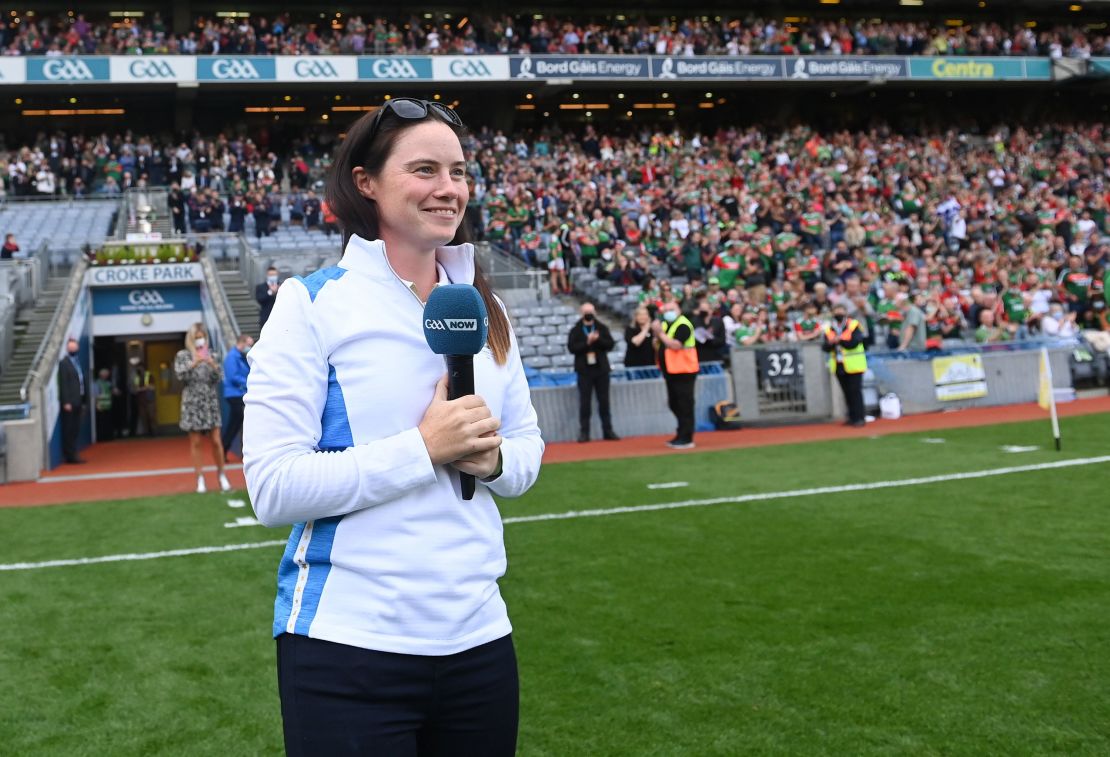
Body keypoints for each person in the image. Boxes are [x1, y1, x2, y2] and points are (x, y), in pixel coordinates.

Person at [243, 97, 544, 756]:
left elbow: (526, 453)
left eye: (459, 171)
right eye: (426, 170)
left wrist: (488, 461)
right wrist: (425, 448)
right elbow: (271, 487)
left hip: (480, 640)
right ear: (366, 183)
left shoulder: (485, 307)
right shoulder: (312, 303)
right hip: (346, 649)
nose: (449, 188)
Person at [174, 323, 231, 494]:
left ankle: (222, 475)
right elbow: (179, 375)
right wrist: (194, 362)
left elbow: (220, 376)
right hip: (192, 401)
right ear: (191, 338)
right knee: (196, 442)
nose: (200, 339)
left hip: (210, 401)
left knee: (216, 441)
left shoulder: (212, 354)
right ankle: (200, 478)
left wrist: (212, 363)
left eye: (202, 336)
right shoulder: (183, 355)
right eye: (197, 336)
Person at [567, 302, 620, 443]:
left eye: (591, 311)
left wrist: (598, 340)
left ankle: (608, 431)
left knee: (604, 402)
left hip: (601, 370)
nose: (589, 314)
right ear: (581, 313)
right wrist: (587, 342)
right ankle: (584, 432)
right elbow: (572, 347)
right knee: (585, 403)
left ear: (595, 312)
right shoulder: (576, 330)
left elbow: (610, 344)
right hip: (584, 371)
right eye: (586, 311)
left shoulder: (602, 328)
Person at [652, 299, 699, 449]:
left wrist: (660, 333)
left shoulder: (683, 324)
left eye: (671, 310)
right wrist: (657, 336)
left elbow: (675, 345)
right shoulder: (667, 324)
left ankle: (687, 437)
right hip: (671, 370)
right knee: (674, 403)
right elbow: (659, 344)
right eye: (665, 311)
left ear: (678, 310)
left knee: (685, 404)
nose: (668, 313)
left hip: (684, 370)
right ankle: (680, 433)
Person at [823, 302, 868, 427]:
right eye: (836, 310)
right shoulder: (829, 327)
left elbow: (855, 342)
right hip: (839, 364)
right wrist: (832, 343)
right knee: (846, 392)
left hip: (854, 364)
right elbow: (825, 347)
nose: (838, 313)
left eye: (841, 310)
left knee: (855, 391)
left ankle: (859, 417)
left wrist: (840, 341)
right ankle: (852, 417)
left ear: (845, 312)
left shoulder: (853, 325)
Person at [221, 333, 253, 461]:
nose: (250, 347)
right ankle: (224, 449)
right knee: (237, 423)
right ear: (242, 342)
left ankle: (225, 449)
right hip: (234, 395)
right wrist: (249, 382)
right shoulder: (232, 357)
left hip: (239, 394)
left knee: (235, 424)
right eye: (249, 344)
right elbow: (233, 376)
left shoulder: (239, 356)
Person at [57, 338, 87, 464]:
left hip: (79, 400)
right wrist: (66, 402)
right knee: (69, 429)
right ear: (67, 349)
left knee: (75, 428)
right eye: (71, 348)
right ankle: (70, 455)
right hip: (70, 402)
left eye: (75, 348)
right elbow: (63, 383)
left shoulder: (77, 362)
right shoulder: (64, 363)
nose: (73, 350)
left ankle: (74, 452)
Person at [128, 356, 157, 437]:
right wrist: (144, 388)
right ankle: (147, 433)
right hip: (140, 400)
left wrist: (141, 388)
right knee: (143, 417)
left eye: (141, 367)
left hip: (149, 399)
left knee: (151, 416)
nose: (140, 369)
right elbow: (135, 389)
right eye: (138, 368)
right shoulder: (137, 377)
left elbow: (152, 387)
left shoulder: (149, 375)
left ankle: (154, 432)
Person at [92, 367, 119, 442]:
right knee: (101, 423)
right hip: (101, 406)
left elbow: (114, 391)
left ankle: (108, 437)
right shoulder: (96, 383)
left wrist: (116, 391)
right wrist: (97, 405)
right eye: (105, 375)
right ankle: (101, 438)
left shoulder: (108, 383)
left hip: (108, 406)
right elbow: (95, 395)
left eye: (107, 375)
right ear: (101, 375)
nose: (106, 376)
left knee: (108, 423)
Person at [256, 266, 281, 331]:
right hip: (266, 318)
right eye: (271, 275)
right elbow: (260, 299)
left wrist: (278, 292)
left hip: (280, 318)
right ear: (267, 275)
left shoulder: (282, 286)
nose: (272, 276)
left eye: (274, 275)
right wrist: (270, 292)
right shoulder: (261, 287)